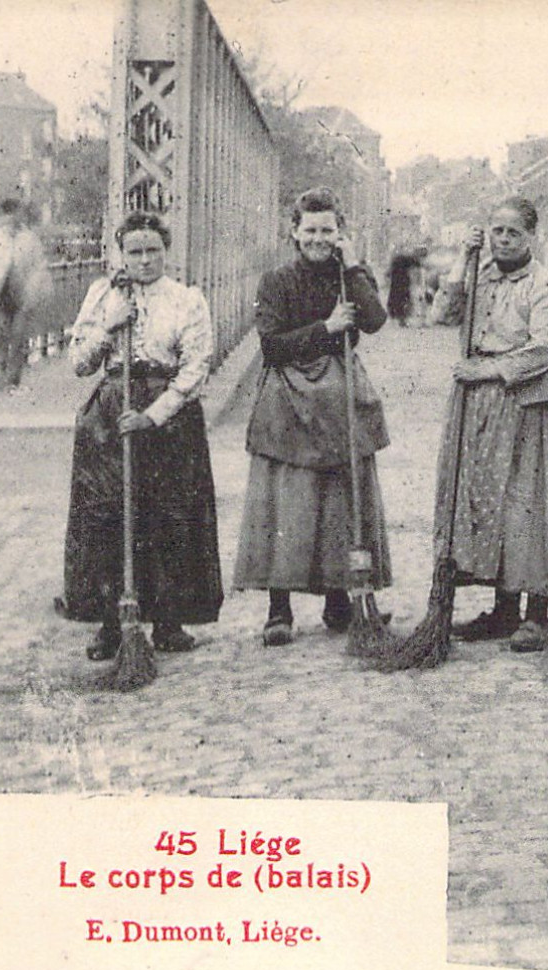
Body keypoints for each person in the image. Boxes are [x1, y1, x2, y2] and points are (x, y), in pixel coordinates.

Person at [233, 186, 392, 646]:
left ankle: (341, 599)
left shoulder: (348, 277)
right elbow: (271, 346)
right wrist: (326, 328)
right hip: (289, 397)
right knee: (286, 501)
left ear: (340, 234)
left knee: (343, 498)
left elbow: (376, 319)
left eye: (328, 230)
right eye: (311, 230)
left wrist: (355, 265)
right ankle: (278, 608)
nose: (319, 239)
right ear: (294, 232)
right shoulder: (277, 282)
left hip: (341, 397)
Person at [62, 211, 222, 657]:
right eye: (135, 252)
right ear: (121, 254)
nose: (145, 260)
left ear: (166, 251)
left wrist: (154, 415)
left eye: (154, 250)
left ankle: (168, 622)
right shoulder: (102, 294)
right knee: (107, 515)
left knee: (168, 515)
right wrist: (109, 325)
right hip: (111, 415)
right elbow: (78, 363)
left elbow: (196, 367)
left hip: (168, 417)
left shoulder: (186, 299)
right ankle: (111, 623)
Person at [429, 196, 548, 653]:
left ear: (531, 237)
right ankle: (503, 610)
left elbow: (546, 347)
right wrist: (462, 261)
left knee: (530, 507)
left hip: (532, 403)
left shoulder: (547, 284)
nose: (504, 240)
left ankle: (536, 614)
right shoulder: (480, 276)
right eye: (497, 231)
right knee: (490, 503)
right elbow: (440, 315)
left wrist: (489, 371)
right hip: (480, 407)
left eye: (513, 233)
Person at [0, 197, 53, 391]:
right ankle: (2, 369)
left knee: (18, 337)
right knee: (0, 335)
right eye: (8, 214)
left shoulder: (29, 239)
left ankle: (13, 378)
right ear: (4, 216)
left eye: (16, 213)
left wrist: (36, 290)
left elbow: (39, 267)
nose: (12, 218)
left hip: (22, 294)